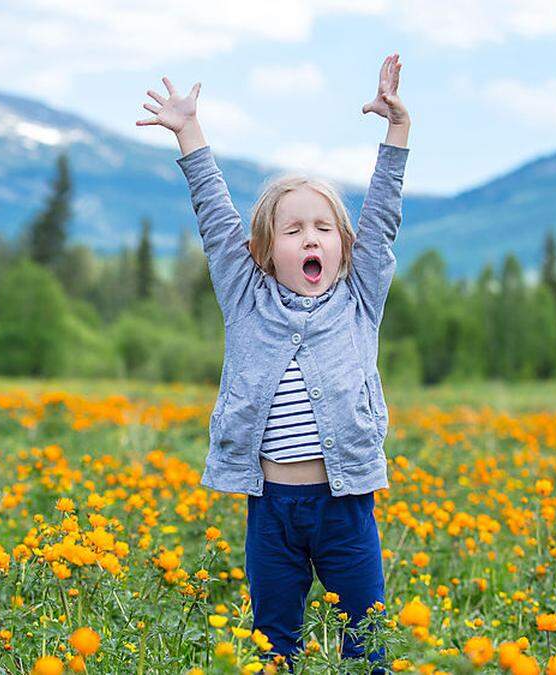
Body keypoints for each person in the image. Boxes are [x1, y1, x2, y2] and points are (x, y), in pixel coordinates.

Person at [136, 53, 410, 673]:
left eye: (323, 228)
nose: (310, 238)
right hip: (271, 511)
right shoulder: (246, 297)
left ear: (345, 247)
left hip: (346, 507)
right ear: (263, 250)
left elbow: (385, 217)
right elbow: (214, 218)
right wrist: (188, 131)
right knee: (272, 644)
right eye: (293, 231)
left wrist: (396, 133)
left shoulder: (360, 297)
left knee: (368, 643)